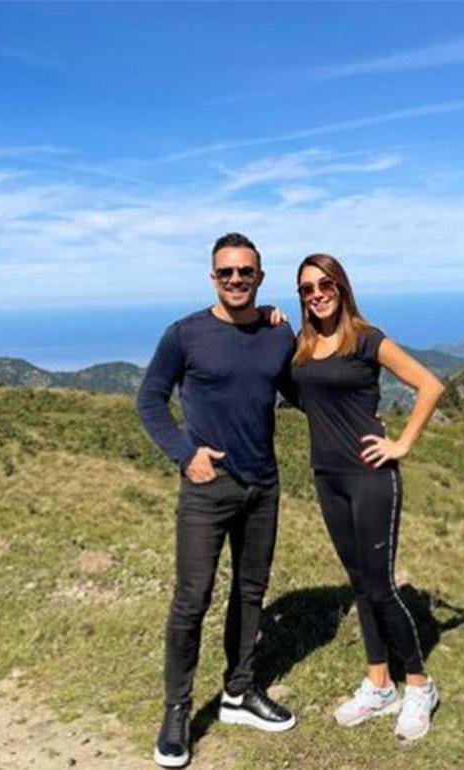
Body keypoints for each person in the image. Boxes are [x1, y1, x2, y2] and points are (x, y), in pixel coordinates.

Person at [136, 233, 296, 769]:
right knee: (192, 599)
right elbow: (149, 399)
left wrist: (356, 407)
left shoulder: (277, 331)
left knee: (251, 592)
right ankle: (177, 711)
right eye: (226, 272)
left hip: (263, 485)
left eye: (245, 271)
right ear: (212, 277)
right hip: (207, 488)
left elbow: (297, 389)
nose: (235, 279)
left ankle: (239, 692)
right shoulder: (185, 334)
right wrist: (186, 455)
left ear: (260, 277)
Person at [290, 253, 445, 742]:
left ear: (341, 287)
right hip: (327, 478)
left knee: (380, 588)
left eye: (326, 285)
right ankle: (379, 684)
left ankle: (419, 684)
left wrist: (402, 443)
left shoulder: (366, 338)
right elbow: (301, 395)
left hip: (371, 477)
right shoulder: (303, 346)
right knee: (359, 583)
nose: (317, 294)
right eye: (307, 288)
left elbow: (430, 385)